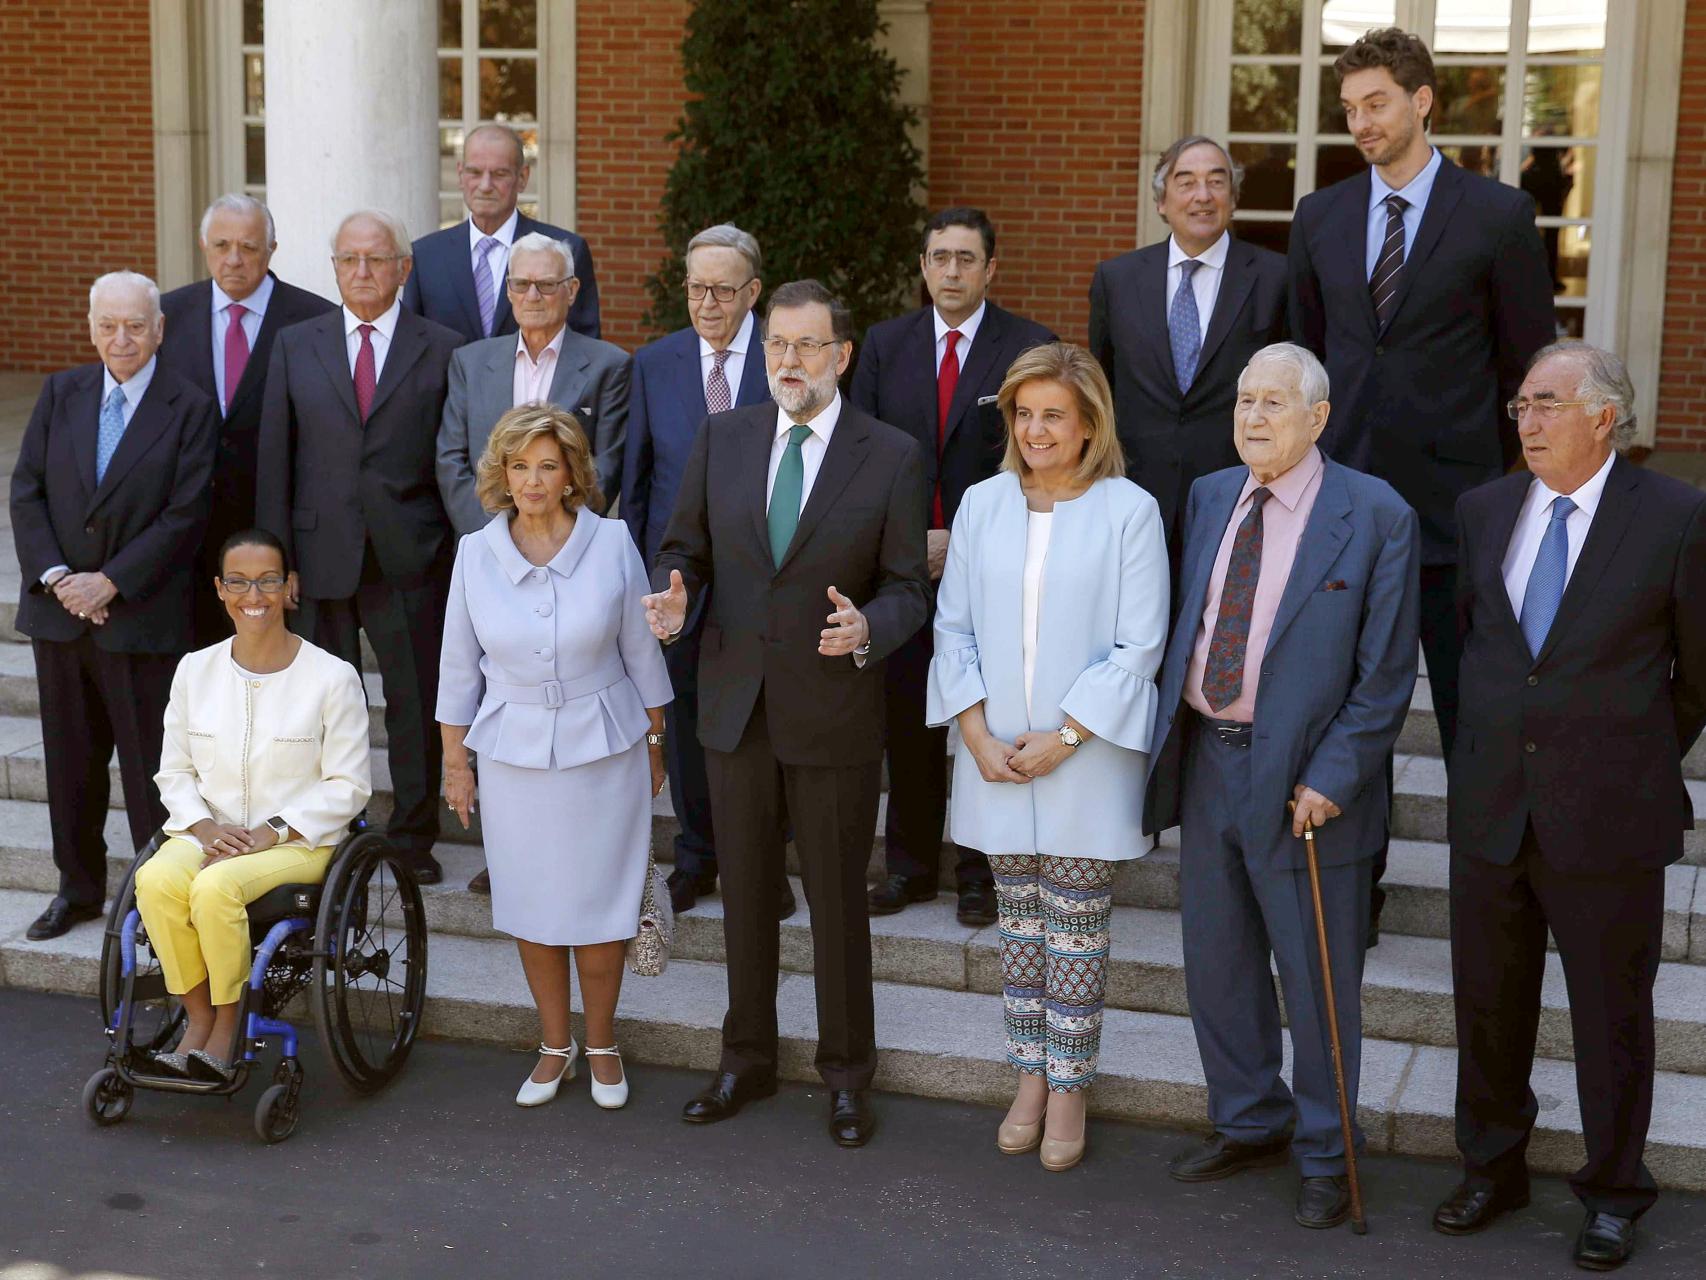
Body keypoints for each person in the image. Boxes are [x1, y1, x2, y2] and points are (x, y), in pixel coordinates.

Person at [1437, 343, 1706, 1271]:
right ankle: (1492, 1167)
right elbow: (1467, 651)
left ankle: (1615, 1190)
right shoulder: (1482, 511)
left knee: (1611, 1014)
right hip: (1491, 808)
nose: (1528, 421)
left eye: (1547, 404)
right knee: (1487, 1005)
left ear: (1604, 417)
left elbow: (1696, 676)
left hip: (1609, 811)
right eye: (1520, 404)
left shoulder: (1675, 515)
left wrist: (1624, 751)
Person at [643, 280, 928, 1147]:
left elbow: (910, 588)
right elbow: (684, 544)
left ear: (842, 356)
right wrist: (676, 593)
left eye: (807, 347)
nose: (789, 363)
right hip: (735, 706)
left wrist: (868, 628)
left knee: (840, 903)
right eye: (777, 346)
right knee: (746, 898)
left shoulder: (891, 454)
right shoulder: (724, 437)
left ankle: (846, 1075)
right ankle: (747, 1060)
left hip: (832, 708)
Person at [1144, 343, 1419, 1230]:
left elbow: (1385, 678)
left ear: (1318, 416)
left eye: (1273, 403)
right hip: (1209, 761)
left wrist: (1333, 774)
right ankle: (1248, 1119)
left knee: (1314, 976)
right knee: (1217, 965)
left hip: (1306, 783)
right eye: (1244, 400)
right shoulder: (1213, 494)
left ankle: (1328, 1152)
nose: (1254, 418)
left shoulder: (1376, 515)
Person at [1288, 28, 1555, 939]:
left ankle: (1488, 908)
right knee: (1340, 713)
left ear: (1422, 100)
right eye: (1350, 107)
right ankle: (1349, 898)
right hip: (1340, 514)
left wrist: (1509, 494)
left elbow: (1531, 373)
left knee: (1469, 723)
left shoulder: (1498, 215)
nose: (1360, 122)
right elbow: (1307, 363)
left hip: (1457, 517)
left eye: (1377, 104)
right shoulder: (1319, 218)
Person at [927, 342, 1166, 1171]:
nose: (1035, 429)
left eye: (1053, 415)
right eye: (1023, 414)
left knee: (1077, 931)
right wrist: (976, 734)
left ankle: (1069, 1086)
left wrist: (1065, 737)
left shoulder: (1130, 510)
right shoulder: (984, 503)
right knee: (1021, 929)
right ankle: (1027, 1075)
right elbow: (951, 627)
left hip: (1085, 760)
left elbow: (1141, 646)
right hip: (993, 756)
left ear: (1090, 421)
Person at [439, 404, 672, 1111]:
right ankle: (553, 1044)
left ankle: (601, 1043)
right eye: (518, 466)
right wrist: (456, 761)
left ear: (572, 472)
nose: (533, 480)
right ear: (501, 475)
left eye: (547, 464)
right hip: (512, 754)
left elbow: (641, 650)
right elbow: (456, 667)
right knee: (533, 904)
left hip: (606, 749)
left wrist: (657, 742)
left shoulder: (613, 542)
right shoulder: (475, 553)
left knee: (602, 907)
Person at [852, 207, 1055, 927]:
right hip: (905, 572)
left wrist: (958, 542)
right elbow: (865, 457)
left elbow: (1041, 462)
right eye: (940, 257)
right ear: (923, 265)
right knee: (907, 721)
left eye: (967, 259)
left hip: (993, 570)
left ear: (991, 269)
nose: (952, 271)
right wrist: (913, 544)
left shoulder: (1031, 346)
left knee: (985, 722)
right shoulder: (883, 345)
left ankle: (980, 872)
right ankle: (909, 868)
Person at [255, 209, 462, 886]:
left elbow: (449, 457)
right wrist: (275, 562)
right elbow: (275, 458)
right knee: (324, 701)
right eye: (350, 259)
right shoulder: (297, 343)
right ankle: (332, 824)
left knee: (413, 698)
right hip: (319, 556)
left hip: (411, 552)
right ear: (335, 268)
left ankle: (412, 834)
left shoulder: (443, 346)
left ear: (403, 267)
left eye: (377, 259)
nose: (363, 271)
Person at [11, 271, 218, 942]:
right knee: (70, 764)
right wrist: (59, 577)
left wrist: (112, 582)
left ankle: (153, 898)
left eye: (135, 325)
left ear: (160, 330)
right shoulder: (61, 391)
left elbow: (187, 513)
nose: (120, 338)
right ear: (91, 326)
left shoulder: (189, 405)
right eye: (108, 325)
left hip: (143, 617)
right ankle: (78, 890)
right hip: (60, 615)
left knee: (149, 770)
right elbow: (27, 491)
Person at [133, 529, 372, 1081]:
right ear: (219, 589)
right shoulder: (196, 669)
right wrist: (202, 824)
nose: (253, 594)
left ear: (290, 586)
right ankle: (198, 1018)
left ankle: (228, 1024)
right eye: (238, 582)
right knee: (156, 882)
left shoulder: (332, 677)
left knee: (216, 888)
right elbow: (174, 770)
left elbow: (349, 785)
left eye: (268, 580)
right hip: (208, 831)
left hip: (299, 842)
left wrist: (274, 830)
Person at [620, 224, 773, 915]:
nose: (706, 302)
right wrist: (641, 579)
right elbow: (639, 478)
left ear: (753, 292)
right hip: (676, 580)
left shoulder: (786, 356)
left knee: (759, 728)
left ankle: (760, 867)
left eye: (720, 289)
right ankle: (696, 856)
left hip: (764, 578)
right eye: (694, 287)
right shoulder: (654, 364)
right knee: (679, 723)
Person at [1089, 136, 1288, 551]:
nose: (1203, 196)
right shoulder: (1117, 280)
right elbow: (1102, 386)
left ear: (1232, 198)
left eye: (1216, 182)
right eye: (1186, 182)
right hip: (1135, 495)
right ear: (1161, 201)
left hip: (1241, 492)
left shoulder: (1276, 278)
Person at [157, 194, 336, 647]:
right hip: (185, 535)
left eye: (249, 247)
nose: (233, 259)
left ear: (272, 249)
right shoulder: (165, 318)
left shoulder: (317, 320)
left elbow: (323, 442)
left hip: (273, 529)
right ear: (203, 246)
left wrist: (295, 553)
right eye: (221, 245)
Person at [439, 231, 630, 539]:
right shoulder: (469, 362)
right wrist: (492, 535)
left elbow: (607, 466)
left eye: (546, 285)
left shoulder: (609, 366)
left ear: (571, 290)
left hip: (569, 547)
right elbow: (451, 460)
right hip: (485, 546)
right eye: (521, 284)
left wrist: (553, 534)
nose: (532, 296)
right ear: (509, 291)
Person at [402, 123, 600, 341]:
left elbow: (586, 351)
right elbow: (414, 345)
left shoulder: (566, 252)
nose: (485, 185)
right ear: (460, 175)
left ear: (522, 178)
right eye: (475, 172)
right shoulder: (425, 256)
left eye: (499, 174)